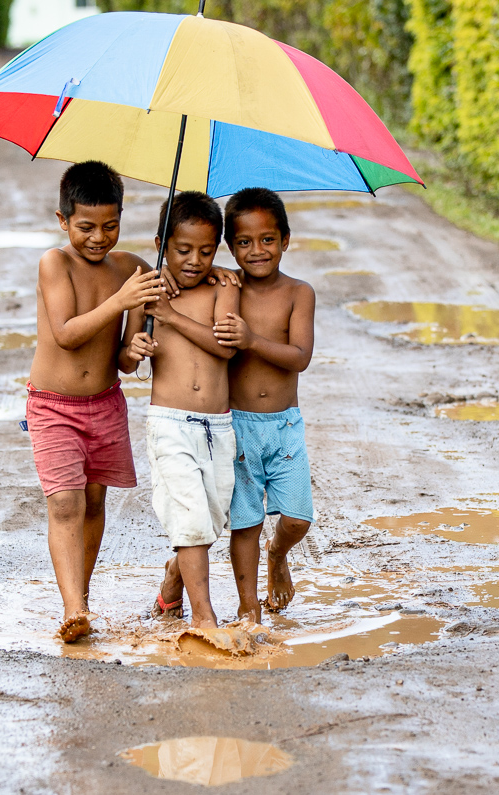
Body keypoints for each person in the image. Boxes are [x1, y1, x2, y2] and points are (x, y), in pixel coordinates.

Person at [27, 160, 162, 642]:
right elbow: (65, 333)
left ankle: (78, 599)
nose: (98, 238)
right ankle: (73, 607)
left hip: (105, 403)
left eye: (110, 225)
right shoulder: (54, 263)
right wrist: (121, 301)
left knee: (93, 501)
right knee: (64, 501)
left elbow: (125, 360)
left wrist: (137, 343)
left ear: (122, 217)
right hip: (52, 406)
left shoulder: (131, 270)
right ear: (63, 221)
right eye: (85, 227)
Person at [120, 191, 239, 630]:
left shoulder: (222, 288)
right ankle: (205, 619)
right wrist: (135, 347)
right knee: (190, 522)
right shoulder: (146, 290)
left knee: (209, 522)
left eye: (206, 251)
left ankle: (173, 579)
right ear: (160, 244)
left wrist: (169, 316)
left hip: (218, 427)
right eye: (182, 250)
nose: (194, 261)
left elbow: (225, 349)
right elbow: (127, 360)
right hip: (169, 423)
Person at [213, 188, 316, 621]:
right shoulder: (226, 287)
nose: (257, 251)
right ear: (230, 246)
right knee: (245, 522)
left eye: (268, 239)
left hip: (284, 426)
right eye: (243, 242)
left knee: (296, 519)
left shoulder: (298, 293)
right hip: (237, 425)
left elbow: (300, 357)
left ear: (286, 240)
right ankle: (247, 607)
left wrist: (252, 341)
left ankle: (278, 555)